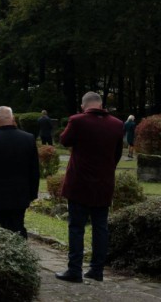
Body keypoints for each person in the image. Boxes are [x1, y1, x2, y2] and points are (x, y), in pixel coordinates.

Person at [55, 91, 123, 284]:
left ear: (84, 105)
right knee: (100, 227)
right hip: (104, 183)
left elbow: (64, 140)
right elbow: (116, 155)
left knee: (76, 227)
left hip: (79, 183)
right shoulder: (117, 124)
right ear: (101, 105)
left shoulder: (77, 121)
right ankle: (97, 269)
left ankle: (74, 269)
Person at [0, 106, 39, 238]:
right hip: (20, 193)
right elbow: (34, 170)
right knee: (18, 226)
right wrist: (32, 193)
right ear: (13, 119)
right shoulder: (28, 138)